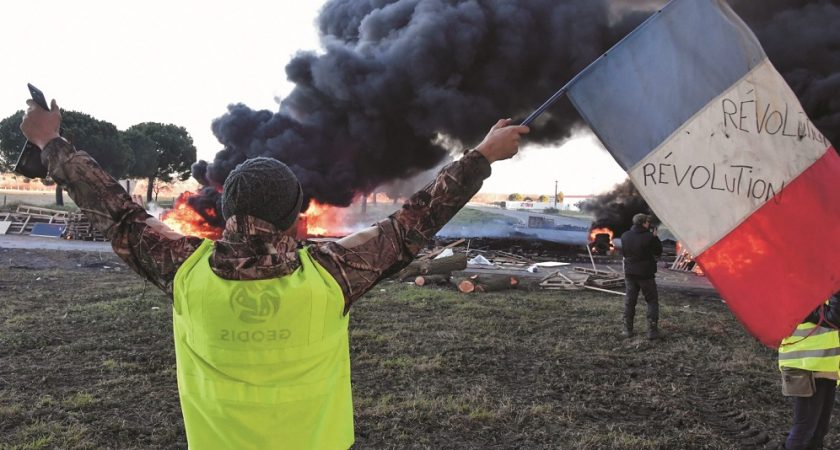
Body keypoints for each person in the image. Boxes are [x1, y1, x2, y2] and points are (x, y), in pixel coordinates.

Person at [20, 98, 529, 449]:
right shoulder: (333, 273)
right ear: (295, 218)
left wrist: (51, 142)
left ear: (226, 211)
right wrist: (481, 155)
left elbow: (118, 210)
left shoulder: (185, 269)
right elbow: (412, 223)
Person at [777, 291, 840, 450]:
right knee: (804, 431)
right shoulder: (800, 292)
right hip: (806, 368)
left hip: (826, 368)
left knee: (819, 432)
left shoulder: (823, 288)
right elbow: (834, 317)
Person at [619, 213, 662, 339]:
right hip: (646, 274)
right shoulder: (649, 237)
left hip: (630, 273)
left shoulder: (625, 235)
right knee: (652, 301)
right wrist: (655, 238)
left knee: (630, 302)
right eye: (647, 222)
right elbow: (658, 251)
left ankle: (627, 330)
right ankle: (652, 331)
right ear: (644, 223)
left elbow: (625, 253)